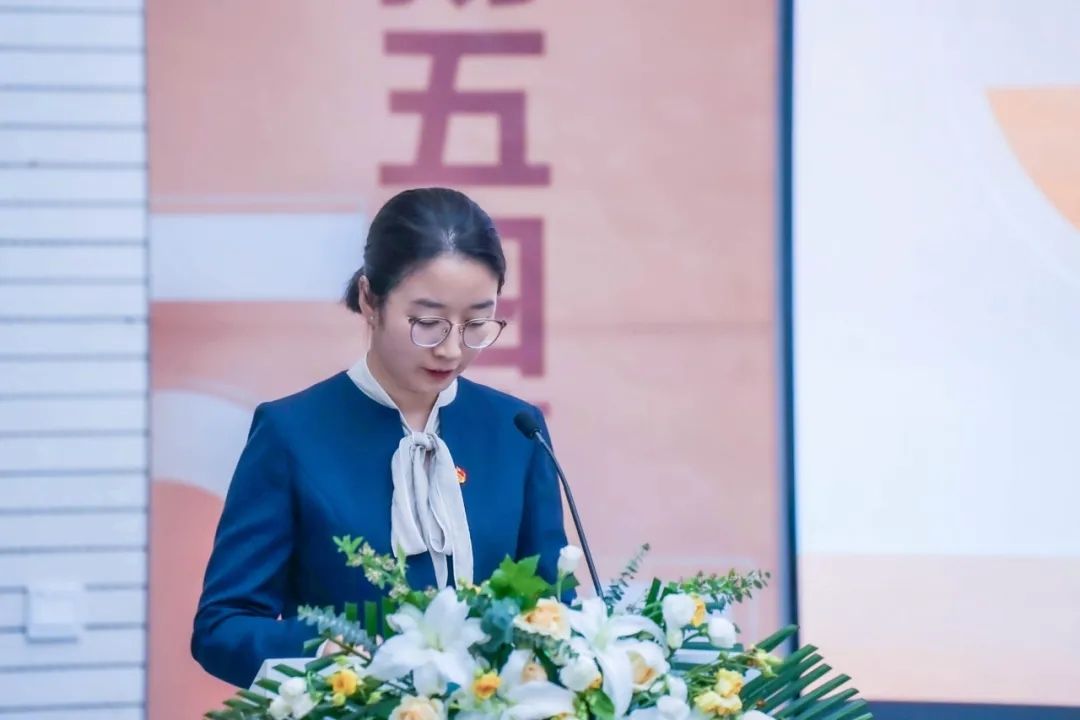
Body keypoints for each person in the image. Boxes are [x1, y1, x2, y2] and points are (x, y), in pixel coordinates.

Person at [191, 187, 569, 688]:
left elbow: (554, 608)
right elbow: (222, 626)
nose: (452, 349)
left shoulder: (516, 429)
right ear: (370, 300)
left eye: (477, 322)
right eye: (428, 322)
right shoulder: (292, 434)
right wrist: (327, 650)